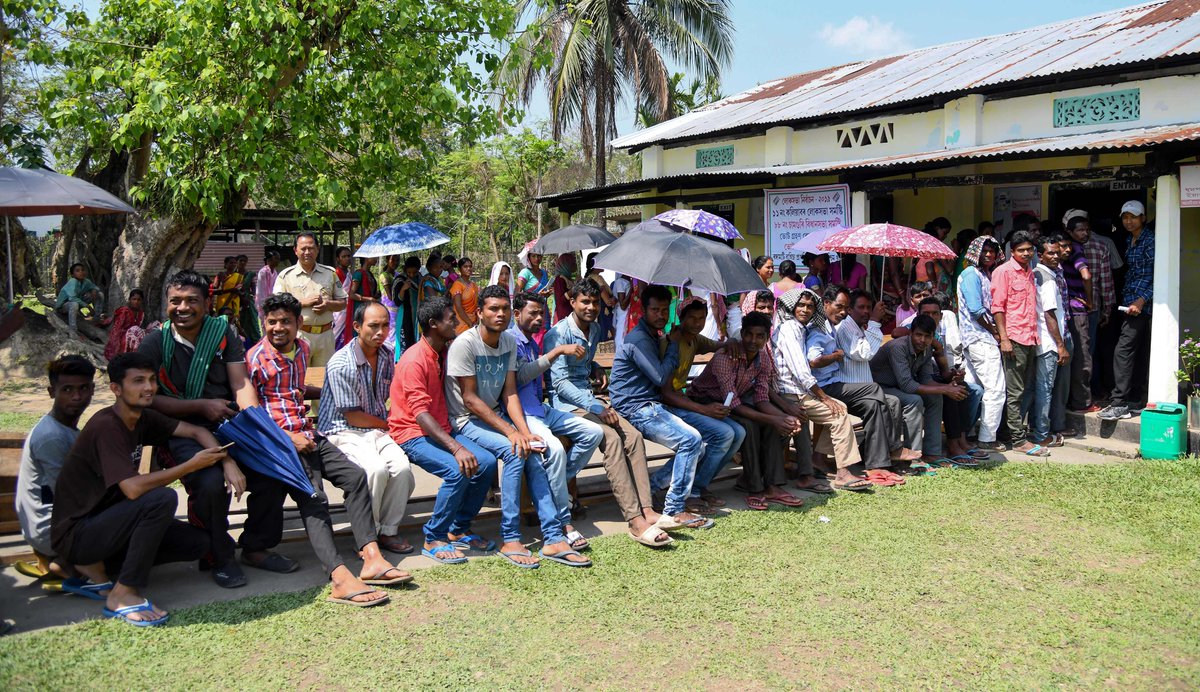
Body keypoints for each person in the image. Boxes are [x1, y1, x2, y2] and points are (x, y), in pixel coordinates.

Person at [249, 293, 407, 605]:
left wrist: (319, 391)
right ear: (262, 323)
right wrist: (288, 438)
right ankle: (338, 575)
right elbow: (250, 411)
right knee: (314, 497)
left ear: (300, 325)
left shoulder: (303, 349)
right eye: (271, 322)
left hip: (309, 433)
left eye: (285, 322)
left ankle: (371, 556)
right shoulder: (256, 359)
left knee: (356, 476)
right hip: (280, 442)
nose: (278, 328)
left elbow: (293, 390)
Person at [49, 353, 221, 626]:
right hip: (77, 532)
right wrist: (190, 465)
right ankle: (122, 593)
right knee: (161, 498)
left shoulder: (142, 417)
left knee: (197, 544)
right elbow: (131, 489)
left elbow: (195, 432)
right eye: (138, 381)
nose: (149, 388)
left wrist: (228, 461)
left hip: (109, 522)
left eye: (152, 380)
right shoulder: (106, 425)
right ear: (116, 389)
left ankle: (95, 570)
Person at [138, 270, 282, 589]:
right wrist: (201, 406)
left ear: (206, 304)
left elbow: (240, 383)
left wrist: (257, 423)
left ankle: (256, 546)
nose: (183, 307)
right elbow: (147, 399)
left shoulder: (222, 332)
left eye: (192, 301)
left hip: (224, 421)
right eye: (175, 301)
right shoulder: (155, 342)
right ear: (166, 304)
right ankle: (219, 555)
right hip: (179, 427)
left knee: (272, 467)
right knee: (209, 482)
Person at [447, 284, 590, 568]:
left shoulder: (509, 343)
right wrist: (512, 433)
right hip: (466, 420)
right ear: (479, 313)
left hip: (497, 414)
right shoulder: (465, 344)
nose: (499, 314)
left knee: (534, 450)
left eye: (503, 309)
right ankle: (510, 538)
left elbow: (510, 392)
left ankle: (552, 537)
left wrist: (524, 432)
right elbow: (471, 400)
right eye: (493, 309)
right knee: (516, 452)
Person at [545, 278, 672, 547]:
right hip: (568, 406)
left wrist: (594, 368)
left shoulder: (593, 329)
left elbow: (582, 363)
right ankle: (634, 520)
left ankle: (647, 509)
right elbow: (559, 383)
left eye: (594, 302)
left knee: (633, 436)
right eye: (585, 302)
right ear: (572, 302)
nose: (591, 307)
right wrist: (597, 407)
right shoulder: (557, 334)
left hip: (592, 399)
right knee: (612, 441)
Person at [388, 296, 499, 565]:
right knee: (456, 468)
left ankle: (458, 528)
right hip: (411, 433)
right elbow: (420, 415)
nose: (457, 322)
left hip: (441, 428)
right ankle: (433, 535)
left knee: (486, 462)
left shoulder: (444, 351)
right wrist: (456, 447)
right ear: (433, 324)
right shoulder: (415, 360)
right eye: (451, 319)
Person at [611, 285, 718, 528]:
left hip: (652, 404)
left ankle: (652, 487)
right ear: (643, 310)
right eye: (654, 310)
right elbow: (660, 378)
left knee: (699, 445)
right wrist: (673, 344)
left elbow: (705, 345)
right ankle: (675, 510)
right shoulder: (639, 338)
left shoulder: (654, 335)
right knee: (691, 441)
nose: (660, 315)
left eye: (664, 310)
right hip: (635, 407)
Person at [509, 292, 605, 550]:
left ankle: (556, 483)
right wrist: (559, 350)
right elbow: (522, 377)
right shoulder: (512, 341)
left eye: (542, 313)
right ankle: (564, 522)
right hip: (525, 413)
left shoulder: (530, 341)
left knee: (593, 432)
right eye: (533, 313)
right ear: (516, 314)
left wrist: (593, 363)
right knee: (556, 450)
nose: (540, 318)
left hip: (541, 408)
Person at [319, 301, 416, 555]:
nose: (381, 332)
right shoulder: (341, 363)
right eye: (373, 326)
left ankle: (388, 531)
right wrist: (389, 424)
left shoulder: (385, 355)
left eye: (385, 326)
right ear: (356, 327)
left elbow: (394, 395)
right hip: (342, 431)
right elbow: (353, 417)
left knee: (403, 470)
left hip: (375, 428)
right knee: (375, 470)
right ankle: (367, 536)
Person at [690, 311, 805, 509]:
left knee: (771, 425)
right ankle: (754, 488)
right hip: (708, 403)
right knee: (750, 426)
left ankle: (773, 486)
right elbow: (733, 403)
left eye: (760, 336)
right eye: (749, 334)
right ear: (741, 334)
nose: (753, 340)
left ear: (766, 338)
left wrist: (784, 418)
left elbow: (761, 399)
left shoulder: (763, 359)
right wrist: (775, 419)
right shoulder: (725, 357)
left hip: (732, 405)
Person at [808, 285, 921, 480]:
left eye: (868, 307)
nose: (866, 311)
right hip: (827, 387)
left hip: (843, 387)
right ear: (826, 304)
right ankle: (893, 448)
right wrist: (876, 321)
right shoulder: (837, 327)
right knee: (876, 391)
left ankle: (877, 463)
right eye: (860, 307)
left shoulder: (834, 327)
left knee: (876, 403)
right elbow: (863, 354)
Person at [773, 289, 876, 491]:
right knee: (838, 412)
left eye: (810, 306)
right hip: (791, 393)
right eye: (801, 305)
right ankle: (843, 472)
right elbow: (802, 371)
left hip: (799, 391)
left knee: (839, 409)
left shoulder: (800, 328)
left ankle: (818, 463)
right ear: (792, 307)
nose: (805, 310)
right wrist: (824, 397)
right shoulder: (789, 328)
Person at [657, 296, 746, 512]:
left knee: (739, 432)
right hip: (667, 404)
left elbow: (718, 344)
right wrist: (705, 409)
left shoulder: (694, 339)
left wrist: (732, 342)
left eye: (701, 318)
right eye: (692, 318)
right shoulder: (671, 344)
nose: (697, 323)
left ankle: (700, 485)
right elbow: (666, 393)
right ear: (681, 318)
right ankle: (692, 490)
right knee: (723, 434)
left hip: (683, 400)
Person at [14, 356, 95, 582]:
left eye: (83, 389)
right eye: (67, 389)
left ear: (93, 389)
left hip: (59, 523)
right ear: (52, 392)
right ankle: (65, 565)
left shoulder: (68, 430)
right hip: (49, 531)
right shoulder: (51, 436)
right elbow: (71, 497)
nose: (76, 397)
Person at [871, 314, 969, 465]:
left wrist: (948, 387)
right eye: (918, 335)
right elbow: (908, 386)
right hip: (878, 387)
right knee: (914, 400)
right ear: (911, 333)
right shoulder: (898, 347)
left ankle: (932, 453)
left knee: (935, 398)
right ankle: (914, 457)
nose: (922, 340)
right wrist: (945, 389)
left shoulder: (927, 349)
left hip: (897, 387)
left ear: (932, 337)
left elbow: (925, 380)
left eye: (927, 336)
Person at [991, 230, 1046, 455]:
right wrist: (1004, 338)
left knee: (1023, 389)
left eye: (1029, 249)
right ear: (1011, 251)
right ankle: (1018, 439)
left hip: (1029, 336)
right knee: (1015, 391)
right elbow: (997, 307)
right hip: (1013, 338)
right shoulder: (1003, 272)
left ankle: (1009, 432)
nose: (1025, 253)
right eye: (1021, 250)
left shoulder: (1030, 271)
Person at [1100, 201, 1154, 420]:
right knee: (1137, 350)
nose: (1128, 221)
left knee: (1123, 350)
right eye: (1125, 217)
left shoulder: (1150, 241)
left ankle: (1119, 402)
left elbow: (1158, 273)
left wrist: (1142, 301)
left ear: (1143, 217)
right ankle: (1135, 399)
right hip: (1130, 300)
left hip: (1142, 303)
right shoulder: (1129, 239)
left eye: (1133, 216)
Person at [957, 237, 1006, 451]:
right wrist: (996, 332)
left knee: (974, 389)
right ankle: (987, 439)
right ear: (975, 252)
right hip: (980, 338)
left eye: (992, 251)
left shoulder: (985, 275)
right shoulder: (970, 274)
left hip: (976, 339)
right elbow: (977, 311)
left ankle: (966, 434)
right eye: (984, 251)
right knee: (996, 389)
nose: (988, 255)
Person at [273, 233, 347, 367]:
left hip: (326, 336)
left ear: (317, 250)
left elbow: (343, 303)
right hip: (299, 335)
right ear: (295, 250)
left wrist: (327, 304)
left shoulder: (330, 273)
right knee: (300, 379)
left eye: (311, 248)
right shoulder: (285, 276)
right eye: (303, 248)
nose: (307, 252)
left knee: (324, 380)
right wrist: (302, 302)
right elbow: (277, 307)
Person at [1027, 235, 1071, 449]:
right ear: (1040, 255)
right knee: (1045, 388)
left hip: (1039, 340)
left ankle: (1035, 429)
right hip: (1048, 343)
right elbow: (1049, 314)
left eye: (1057, 252)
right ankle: (1041, 434)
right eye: (1050, 253)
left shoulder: (1036, 273)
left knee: (1036, 388)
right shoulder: (1048, 279)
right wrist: (1060, 345)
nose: (1055, 256)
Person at [55, 262, 104, 338]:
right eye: (77, 271)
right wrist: (88, 306)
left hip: (77, 304)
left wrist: (94, 289)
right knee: (74, 303)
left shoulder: (86, 281)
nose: (81, 272)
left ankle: (96, 318)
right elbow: (72, 298)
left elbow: (94, 287)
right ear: (72, 274)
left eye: (82, 270)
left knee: (99, 294)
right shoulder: (73, 282)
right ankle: (73, 330)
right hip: (64, 306)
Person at [102, 289, 148, 360]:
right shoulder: (124, 311)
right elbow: (116, 330)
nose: (136, 302)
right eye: (134, 299)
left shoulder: (141, 314)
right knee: (135, 330)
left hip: (134, 339)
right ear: (130, 300)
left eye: (139, 300)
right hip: (122, 340)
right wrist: (114, 349)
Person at [345, 256, 378, 347]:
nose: (376, 259)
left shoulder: (369, 274)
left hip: (368, 308)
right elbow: (351, 294)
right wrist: (368, 299)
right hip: (359, 308)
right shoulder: (358, 274)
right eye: (374, 257)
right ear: (367, 258)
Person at [392, 256, 422, 354]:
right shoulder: (400, 280)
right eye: (409, 272)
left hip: (418, 317)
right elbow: (397, 301)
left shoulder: (420, 279)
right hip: (405, 316)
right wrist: (403, 289)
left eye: (414, 272)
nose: (412, 275)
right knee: (406, 344)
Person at [449, 257, 479, 335]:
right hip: (461, 322)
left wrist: (477, 321)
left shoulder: (473, 285)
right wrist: (470, 323)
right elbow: (459, 307)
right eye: (465, 267)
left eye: (470, 266)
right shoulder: (457, 285)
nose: (468, 268)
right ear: (459, 269)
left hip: (474, 322)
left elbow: (477, 305)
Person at [331, 246, 354, 349]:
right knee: (336, 334)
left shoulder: (349, 274)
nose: (347, 258)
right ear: (338, 258)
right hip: (339, 311)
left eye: (349, 256)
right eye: (344, 256)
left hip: (349, 309)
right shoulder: (335, 274)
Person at [211, 256, 243, 320]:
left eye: (235, 263)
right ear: (225, 264)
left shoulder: (239, 276)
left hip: (234, 302)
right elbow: (215, 290)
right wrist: (229, 290)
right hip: (222, 302)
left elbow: (239, 289)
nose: (233, 265)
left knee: (233, 321)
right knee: (222, 319)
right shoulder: (220, 275)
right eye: (231, 263)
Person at [550, 253, 578, 323]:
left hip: (571, 313)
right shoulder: (560, 279)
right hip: (564, 315)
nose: (575, 264)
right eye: (573, 262)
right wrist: (575, 288)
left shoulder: (568, 278)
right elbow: (560, 300)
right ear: (566, 264)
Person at [255, 250, 281, 322]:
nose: (278, 261)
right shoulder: (263, 272)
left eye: (278, 259)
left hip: (272, 301)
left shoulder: (275, 272)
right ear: (269, 260)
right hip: (264, 301)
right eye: (276, 258)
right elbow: (262, 289)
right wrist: (266, 302)